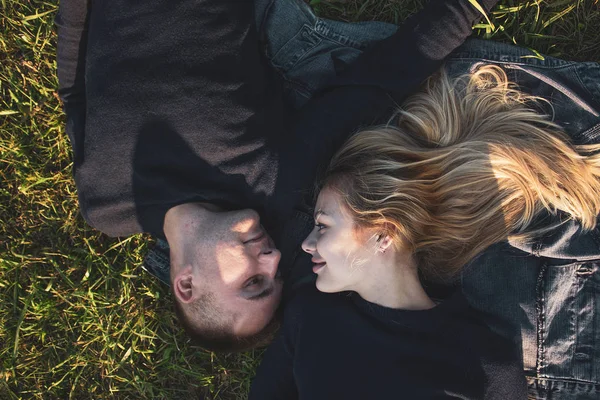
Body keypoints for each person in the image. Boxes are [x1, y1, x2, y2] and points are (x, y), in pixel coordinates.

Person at [56, 0, 497, 351]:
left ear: (187, 283)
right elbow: (377, 80)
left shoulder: (107, 207)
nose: (271, 258)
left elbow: (76, 91)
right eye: (275, 275)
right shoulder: (271, 180)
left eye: (252, 283)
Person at [248, 65, 600, 399]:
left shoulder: (486, 359)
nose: (307, 244)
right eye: (321, 225)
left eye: (322, 226)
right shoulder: (310, 317)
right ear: (383, 233)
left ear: (383, 234)